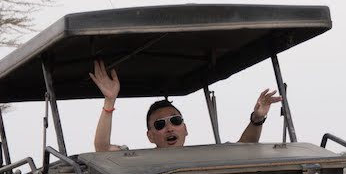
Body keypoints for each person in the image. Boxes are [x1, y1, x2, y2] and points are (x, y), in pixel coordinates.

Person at [90, 59, 282, 152]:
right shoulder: (137, 160)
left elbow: (245, 147)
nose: (169, 128)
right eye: (160, 124)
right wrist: (110, 100)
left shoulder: (202, 156)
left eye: (175, 120)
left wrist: (257, 119)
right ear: (150, 136)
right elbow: (102, 148)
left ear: (185, 128)